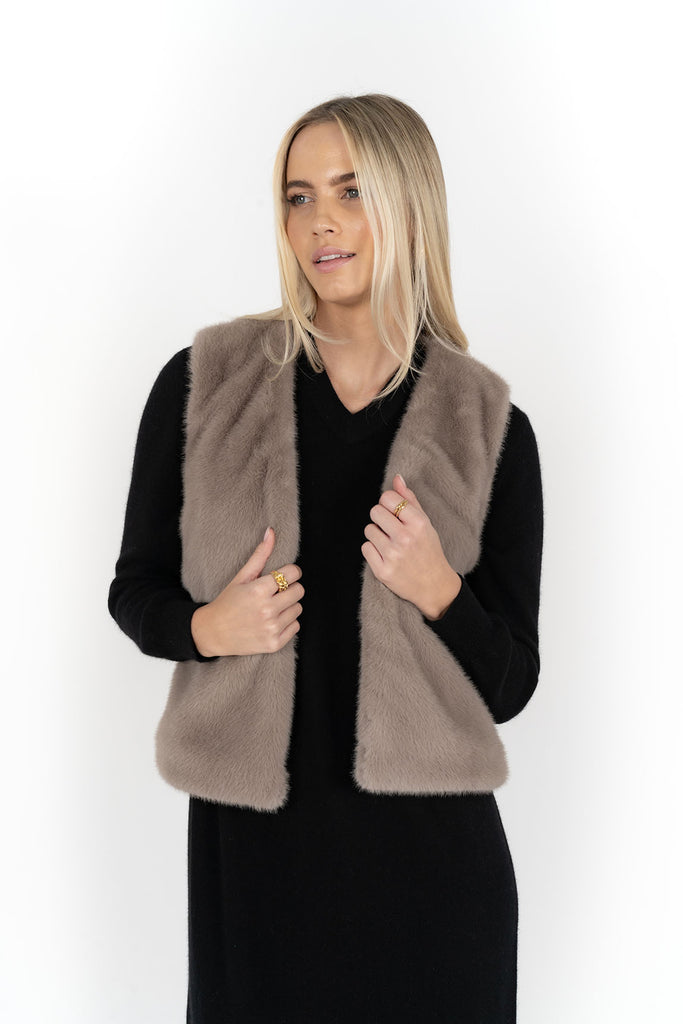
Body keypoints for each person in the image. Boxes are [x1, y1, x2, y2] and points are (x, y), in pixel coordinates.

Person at [109, 93, 543, 1024]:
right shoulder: (203, 384)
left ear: (408, 203)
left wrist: (440, 592)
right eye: (297, 196)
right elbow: (133, 590)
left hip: (435, 885)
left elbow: (511, 683)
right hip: (255, 870)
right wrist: (207, 627)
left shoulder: (491, 427)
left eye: (350, 191)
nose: (320, 222)